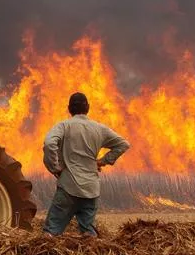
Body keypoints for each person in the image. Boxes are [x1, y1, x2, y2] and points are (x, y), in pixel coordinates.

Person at [42, 92, 130, 236]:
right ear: (88, 108)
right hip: (91, 190)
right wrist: (103, 161)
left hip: (68, 188)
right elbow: (123, 144)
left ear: (69, 108)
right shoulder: (99, 129)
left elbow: (49, 143)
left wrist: (54, 168)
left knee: (50, 234)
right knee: (89, 237)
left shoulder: (64, 126)